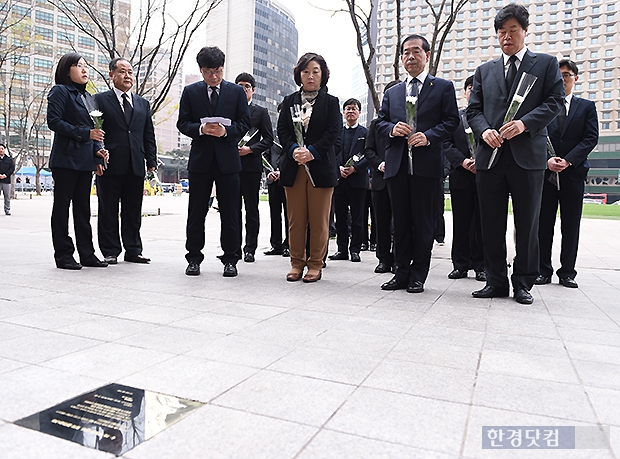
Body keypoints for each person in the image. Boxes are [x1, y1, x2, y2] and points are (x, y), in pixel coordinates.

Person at [466, 4, 564, 304]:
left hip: (528, 157)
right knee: (491, 222)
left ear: (524, 31)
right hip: (491, 158)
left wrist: (524, 123)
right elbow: (473, 110)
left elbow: (555, 102)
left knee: (528, 223)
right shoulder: (485, 70)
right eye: (501, 32)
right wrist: (483, 131)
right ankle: (495, 281)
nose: (506, 37)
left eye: (512, 30)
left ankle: (523, 282)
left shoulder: (545, 64)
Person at [376, 34, 459, 294]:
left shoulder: (443, 87)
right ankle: (400, 273)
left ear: (427, 55)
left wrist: (429, 136)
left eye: (416, 52)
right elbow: (378, 123)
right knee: (399, 222)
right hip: (398, 166)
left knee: (423, 222)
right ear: (401, 58)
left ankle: (417, 276)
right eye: (406, 53)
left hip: (426, 167)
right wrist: (392, 129)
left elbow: (451, 121)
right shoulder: (393, 92)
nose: (410, 57)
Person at [177, 46, 250, 277]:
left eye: (218, 71)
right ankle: (193, 258)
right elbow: (182, 123)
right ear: (201, 70)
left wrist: (226, 132)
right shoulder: (190, 92)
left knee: (231, 212)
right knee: (196, 211)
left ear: (223, 68)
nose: (214, 76)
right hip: (200, 161)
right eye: (209, 72)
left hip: (228, 160)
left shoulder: (236, 92)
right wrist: (200, 128)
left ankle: (231, 259)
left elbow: (244, 123)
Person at [277, 52, 341, 283]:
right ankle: (296, 262)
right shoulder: (289, 101)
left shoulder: (331, 102)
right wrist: (294, 149)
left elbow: (333, 132)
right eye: (306, 71)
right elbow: (282, 131)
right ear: (299, 74)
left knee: (319, 221)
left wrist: (311, 152)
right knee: (295, 220)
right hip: (294, 168)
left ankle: (315, 264)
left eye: (315, 71)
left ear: (323, 74)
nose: (310, 76)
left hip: (320, 168)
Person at [535, 59, 599, 289]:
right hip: (545, 174)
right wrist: (546, 161)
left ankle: (567, 272)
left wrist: (569, 160)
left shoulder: (586, 107)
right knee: (543, 224)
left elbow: (590, 138)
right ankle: (542, 270)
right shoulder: (543, 106)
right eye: (558, 75)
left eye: (567, 75)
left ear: (575, 78)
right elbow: (535, 136)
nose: (562, 79)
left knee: (571, 225)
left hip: (573, 174)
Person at [47, 53, 109, 270]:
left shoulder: (90, 98)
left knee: (83, 209)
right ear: (66, 70)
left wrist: (98, 153)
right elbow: (54, 122)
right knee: (62, 207)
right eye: (78, 66)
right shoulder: (60, 91)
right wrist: (86, 134)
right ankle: (63, 254)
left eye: (86, 66)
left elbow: (96, 131)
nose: (85, 70)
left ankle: (87, 253)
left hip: (85, 162)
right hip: (65, 159)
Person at [95, 58, 158, 265]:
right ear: (111, 75)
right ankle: (110, 250)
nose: (127, 75)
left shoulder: (142, 103)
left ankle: (133, 250)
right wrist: (97, 156)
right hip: (110, 163)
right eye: (122, 72)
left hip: (136, 163)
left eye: (130, 72)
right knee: (108, 209)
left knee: (133, 210)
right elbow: (96, 132)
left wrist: (151, 160)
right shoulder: (100, 100)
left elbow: (148, 134)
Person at [443, 75, 486, 282]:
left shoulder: (489, 117)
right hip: (460, 175)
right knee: (460, 223)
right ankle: (459, 265)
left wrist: (481, 161)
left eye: (476, 88)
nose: (472, 91)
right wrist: (462, 162)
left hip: (485, 176)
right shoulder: (455, 118)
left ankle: (481, 265)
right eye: (469, 88)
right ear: (464, 92)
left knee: (482, 223)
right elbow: (445, 144)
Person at [234, 72, 274, 263]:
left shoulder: (260, 112)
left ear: (253, 90)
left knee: (251, 209)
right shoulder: (228, 110)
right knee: (231, 210)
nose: (243, 89)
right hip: (230, 167)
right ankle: (232, 248)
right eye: (240, 85)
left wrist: (250, 149)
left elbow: (268, 140)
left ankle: (250, 248)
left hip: (251, 167)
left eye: (247, 86)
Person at [364, 80, 400, 274]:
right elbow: (368, 150)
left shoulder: (408, 122)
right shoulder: (376, 124)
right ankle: (383, 259)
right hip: (380, 180)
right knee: (382, 222)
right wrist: (379, 164)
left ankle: (399, 259)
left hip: (401, 180)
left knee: (401, 222)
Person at [329, 98, 368, 263]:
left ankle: (355, 250)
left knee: (358, 217)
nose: (351, 111)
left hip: (357, 180)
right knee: (341, 216)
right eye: (348, 109)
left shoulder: (365, 133)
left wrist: (355, 168)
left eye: (354, 109)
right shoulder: (337, 132)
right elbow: (331, 152)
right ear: (343, 113)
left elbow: (369, 154)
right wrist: (338, 168)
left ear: (359, 112)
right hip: (339, 180)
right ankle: (342, 249)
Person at [263, 138, 290, 257]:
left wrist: (283, 172)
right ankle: (276, 244)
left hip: (287, 181)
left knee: (289, 215)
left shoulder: (291, 137)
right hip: (273, 181)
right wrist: (269, 172)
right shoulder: (272, 138)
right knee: (274, 213)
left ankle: (289, 245)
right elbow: (265, 155)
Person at [0, 143, 14, 215]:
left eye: (2, 149)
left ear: (4, 150)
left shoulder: (9, 160)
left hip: (6, 181)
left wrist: (5, 175)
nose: (1, 150)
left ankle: (7, 209)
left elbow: (12, 169)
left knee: (7, 197)